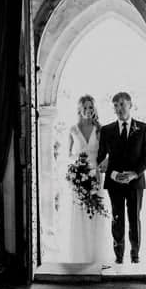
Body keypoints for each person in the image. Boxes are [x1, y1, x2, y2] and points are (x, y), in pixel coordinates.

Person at [97, 91, 146, 264]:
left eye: (122, 104)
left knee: (134, 218)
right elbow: (100, 157)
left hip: (135, 183)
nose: (119, 108)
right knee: (117, 218)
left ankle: (135, 255)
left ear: (130, 105)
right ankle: (119, 255)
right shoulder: (106, 130)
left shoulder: (143, 128)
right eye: (116, 105)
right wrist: (113, 174)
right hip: (114, 184)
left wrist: (134, 173)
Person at [65, 94, 113, 266]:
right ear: (79, 109)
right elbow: (68, 155)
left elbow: (107, 153)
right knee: (79, 215)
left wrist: (105, 163)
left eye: (91, 107)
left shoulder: (99, 130)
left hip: (95, 176)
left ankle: (97, 256)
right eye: (85, 107)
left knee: (96, 214)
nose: (88, 110)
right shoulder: (72, 130)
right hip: (79, 177)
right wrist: (75, 172)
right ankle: (80, 256)